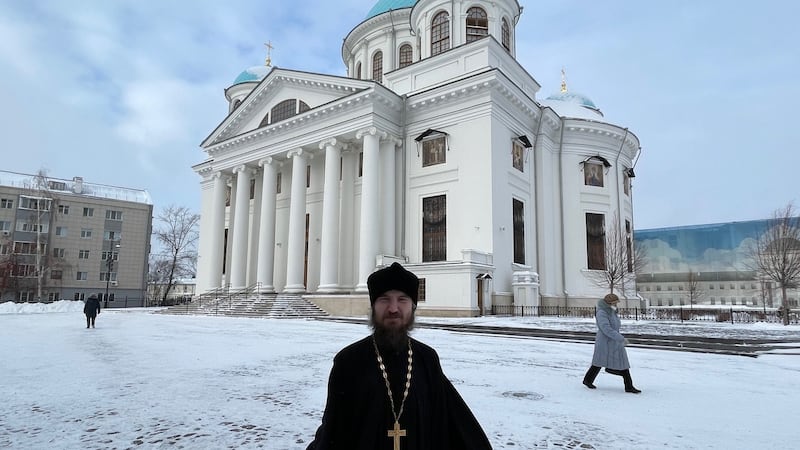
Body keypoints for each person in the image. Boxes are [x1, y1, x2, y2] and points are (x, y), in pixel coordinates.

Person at [307, 262, 492, 450]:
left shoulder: (427, 359)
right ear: (373, 306)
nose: (393, 308)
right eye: (384, 299)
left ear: (413, 307)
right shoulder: (348, 361)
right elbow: (334, 431)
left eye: (402, 299)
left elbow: (451, 424)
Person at [582, 293, 641, 394]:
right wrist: (621, 338)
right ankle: (627, 385)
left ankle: (590, 379)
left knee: (618, 362)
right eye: (614, 303)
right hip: (605, 342)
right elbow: (606, 329)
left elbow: (614, 327)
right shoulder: (602, 313)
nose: (616, 305)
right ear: (608, 303)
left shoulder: (612, 312)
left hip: (613, 340)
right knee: (599, 362)